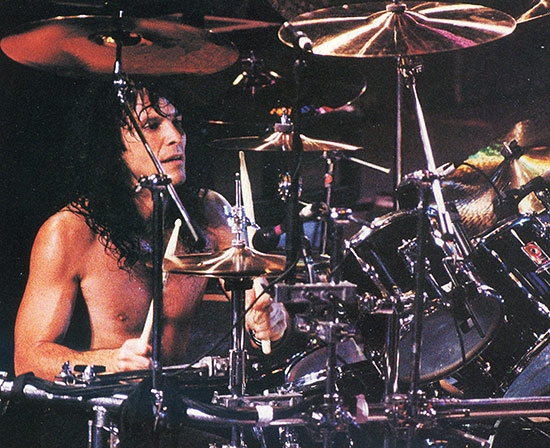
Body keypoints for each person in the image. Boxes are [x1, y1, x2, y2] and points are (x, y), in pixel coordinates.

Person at [13, 80, 289, 382]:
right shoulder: (69, 231)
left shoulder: (209, 212)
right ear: (113, 144)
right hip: (111, 401)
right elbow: (28, 359)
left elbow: (255, 303)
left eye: (178, 123)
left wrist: (268, 323)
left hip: (180, 399)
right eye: (152, 126)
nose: (175, 137)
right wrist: (112, 361)